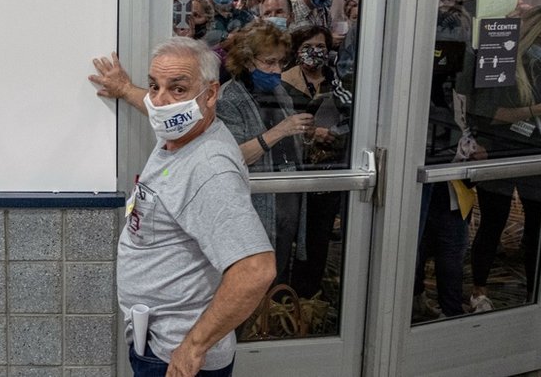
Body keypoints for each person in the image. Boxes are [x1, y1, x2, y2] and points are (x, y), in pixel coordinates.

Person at [98, 37, 275, 376]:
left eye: (178, 89)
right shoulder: (182, 131)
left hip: (178, 354)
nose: (161, 101)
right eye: (155, 86)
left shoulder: (209, 168)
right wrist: (125, 88)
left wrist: (193, 348)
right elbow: (158, 107)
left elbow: (256, 270)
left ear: (210, 94)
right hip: (158, 340)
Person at [467, 5, 541, 311]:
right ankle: (479, 291)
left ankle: (536, 296)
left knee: (538, 230)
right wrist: (539, 110)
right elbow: (486, 113)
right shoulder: (501, 57)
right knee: (492, 224)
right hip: (498, 150)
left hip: (539, 155)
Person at [215, 21, 315, 286]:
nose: (277, 70)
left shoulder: (278, 91)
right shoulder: (229, 99)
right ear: (248, 61)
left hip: (285, 191)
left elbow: (286, 136)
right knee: (252, 275)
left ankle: (269, 318)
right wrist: (281, 131)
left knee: (280, 265)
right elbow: (235, 157)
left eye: (281, 62)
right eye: (269, 62)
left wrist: (302, 134)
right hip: (255, 199)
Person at [279, 25, 352, 300]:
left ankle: (308, 294)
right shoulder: (281, 82)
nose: (316, 52)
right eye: (309, 46)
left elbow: (352, 119)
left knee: (318, 236)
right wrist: (310, 132)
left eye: (321, 46)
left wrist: (335, 136)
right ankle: (279, 297)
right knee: (286, 235)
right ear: (296, 50)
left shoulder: (336, 81)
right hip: (291, 170)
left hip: (327, 170)